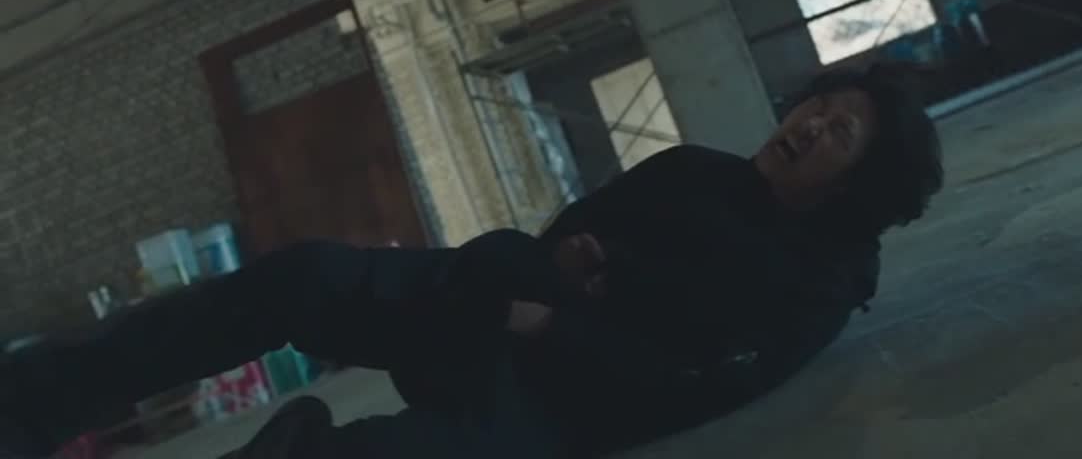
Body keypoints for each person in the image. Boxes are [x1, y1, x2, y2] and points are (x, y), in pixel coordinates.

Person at [0, 63, 943, 459]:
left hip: (559, 406)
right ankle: (33, 402)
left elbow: (690, 385)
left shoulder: (814, 289)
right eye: (819, 108)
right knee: (306, 278)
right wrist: (546, 271)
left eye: (839, 134)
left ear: (856, 185)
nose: (809, 125)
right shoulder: (697, 172)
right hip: (489, 309)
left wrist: (556, 326)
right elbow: (555, 239)